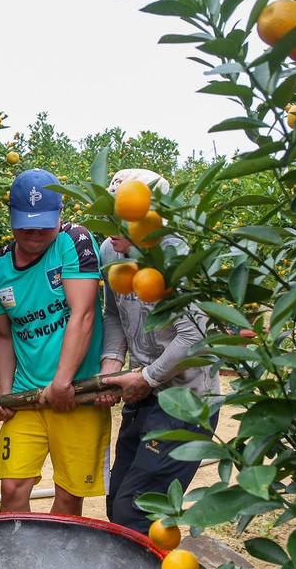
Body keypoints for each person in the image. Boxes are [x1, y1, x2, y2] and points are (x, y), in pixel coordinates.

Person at [95, 169, 221, 534]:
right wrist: (111, 369)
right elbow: (113, 313)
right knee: (116, 498)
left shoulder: (176, 254)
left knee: (135, 509)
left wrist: (147, 377)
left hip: (188, 400)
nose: (111, 229)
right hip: (144, 394)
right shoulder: (110, 250)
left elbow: (192, 336)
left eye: (122, 219)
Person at [0, 168, 108, 516]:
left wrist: (63, 382)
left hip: (77, 392)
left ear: (60, 214)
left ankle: (55, 567)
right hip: (27, 394)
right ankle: (15, 564)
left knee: (68, 496)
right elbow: (2, 335)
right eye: (24, 223)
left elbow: (83, 314)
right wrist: (5, 395)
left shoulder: (74, 242)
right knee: (12, 490)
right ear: (10, 216)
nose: (34, 231)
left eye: (43, 222)